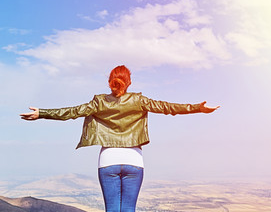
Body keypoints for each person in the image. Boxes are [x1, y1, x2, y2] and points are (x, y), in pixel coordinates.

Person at [20, 65, 219, 212]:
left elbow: (73, 111)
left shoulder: (99, 101)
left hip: (108, 161)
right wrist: (197, 108)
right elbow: (168, 108)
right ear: (129, 82)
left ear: (110, 82)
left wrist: (43, 113)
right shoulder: (139, 100)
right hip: (135, 161)